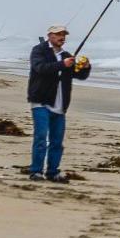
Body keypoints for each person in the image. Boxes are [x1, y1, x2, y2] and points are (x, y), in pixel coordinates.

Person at [27, 25, 91, 181]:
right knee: (41, 138)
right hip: (41, 102)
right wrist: (63, 64)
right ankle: (36, 171)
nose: (61, 37)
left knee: (57, 142)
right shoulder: (39, 51)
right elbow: (40, 68)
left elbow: (79, 75)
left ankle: (52, 172)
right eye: (58, 34)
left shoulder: (66, 56)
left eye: (63, 34)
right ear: (50, 35)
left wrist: (86, 67)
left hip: (60, 106)